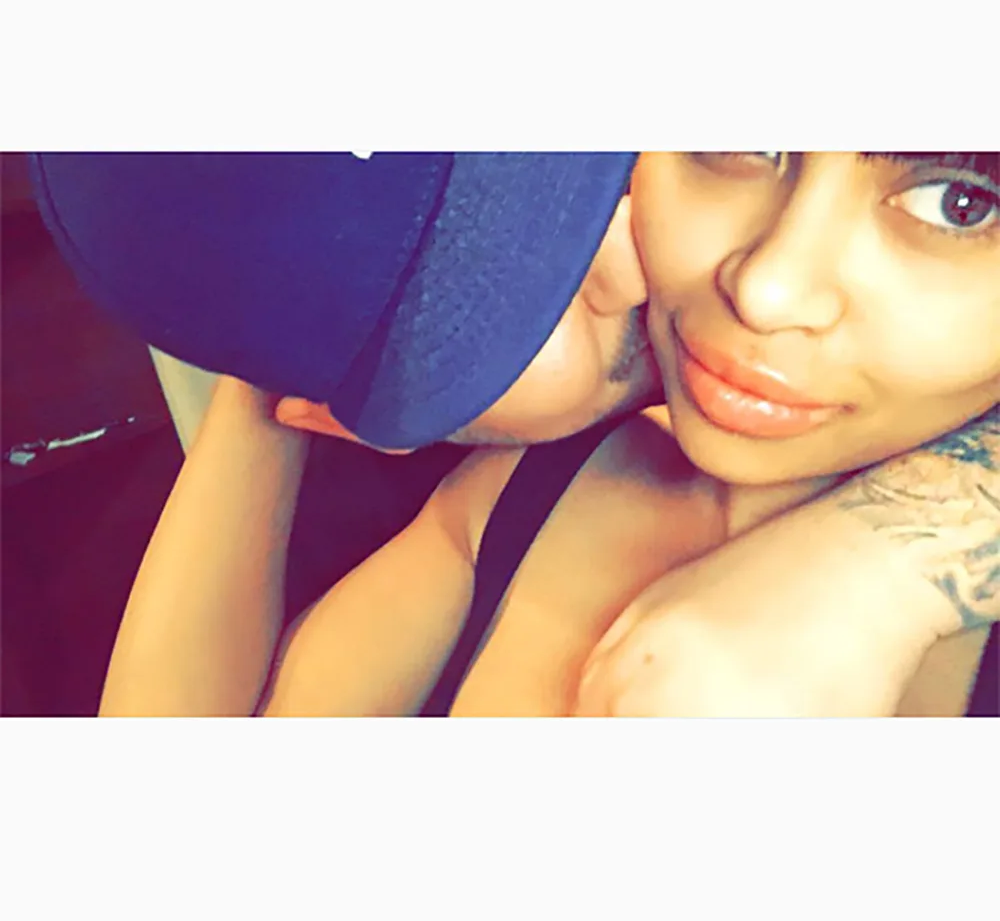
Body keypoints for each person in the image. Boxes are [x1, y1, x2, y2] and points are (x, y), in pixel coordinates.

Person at [29, 152, 997, 715]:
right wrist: (268, 392)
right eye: (739, 134)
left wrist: (884, 568)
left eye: (961, 202)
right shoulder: (541, 486)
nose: (764, 288)